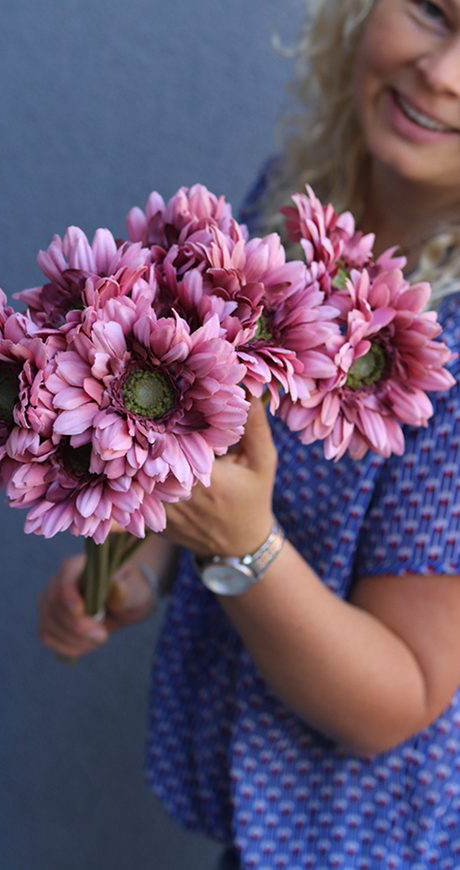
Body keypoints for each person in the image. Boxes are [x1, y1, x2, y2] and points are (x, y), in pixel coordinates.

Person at [38, 0, 460, 866]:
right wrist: (133, 569)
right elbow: (193, 432)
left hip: (377, 843)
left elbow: (397, 700)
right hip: (259, 827)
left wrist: (244, 548)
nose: (444, 73)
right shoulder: (289, 203)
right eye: (432, 12)